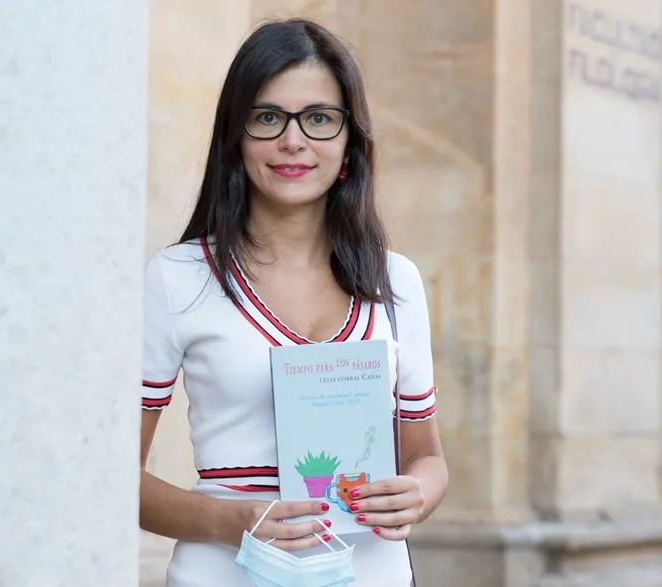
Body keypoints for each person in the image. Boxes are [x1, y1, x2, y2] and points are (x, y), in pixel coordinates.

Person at [138, 17, 449, 587]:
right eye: (267, 117)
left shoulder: (395, 282)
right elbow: (113, 476)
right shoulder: (177, 279)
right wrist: (230, 519)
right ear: (236, 136)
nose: (293, 141)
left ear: (349, 141)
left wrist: (418, 495)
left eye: (319, 119)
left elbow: (426, 457)